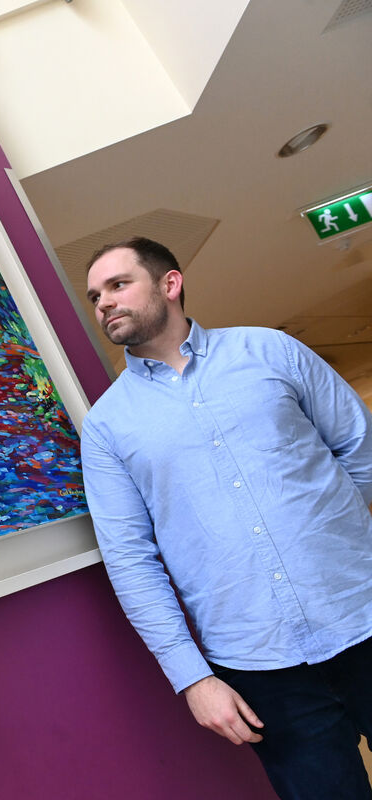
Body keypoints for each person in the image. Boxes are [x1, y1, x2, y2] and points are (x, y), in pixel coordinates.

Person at [79, 236, 372, 800]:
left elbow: (358, 448)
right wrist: (191, 677)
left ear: (170, 283)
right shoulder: (108, 427)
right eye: (95, 296)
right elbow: (131, 560)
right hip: (262, 668)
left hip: (363, 616)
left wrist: (330, 535)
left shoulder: (271, 352)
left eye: (118, 285)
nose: (104, 304)